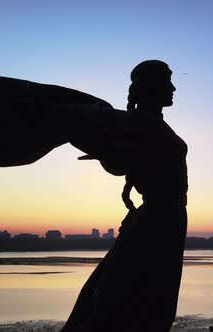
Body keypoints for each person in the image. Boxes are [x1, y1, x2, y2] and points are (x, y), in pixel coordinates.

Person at [59, 60, 188, 331]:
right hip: (159, 219)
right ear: (151, 87)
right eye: (167, 81)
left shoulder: (147, 124)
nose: (173, 87)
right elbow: (86, 121)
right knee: (131, 293)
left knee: (137, 291)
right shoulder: (138, 122)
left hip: (164, 218)